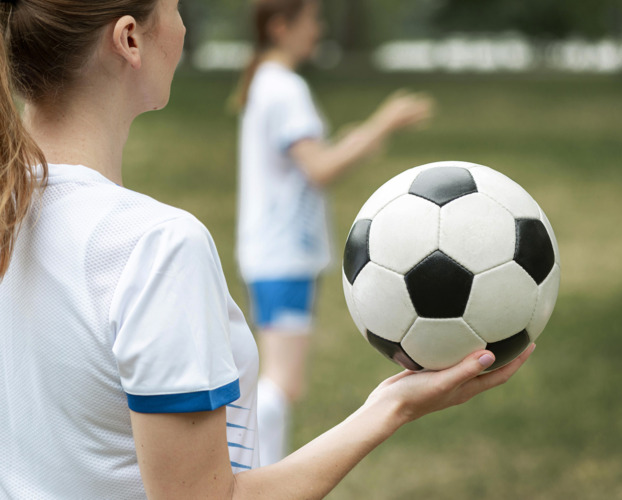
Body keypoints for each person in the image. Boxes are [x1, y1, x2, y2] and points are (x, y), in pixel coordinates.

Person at [0, 0, 531, 498]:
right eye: (176, 6)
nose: (183, 27)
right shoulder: (153, 247)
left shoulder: (15, 212)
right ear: (130, 39)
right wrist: (390, 409)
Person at [233, 0, 434, 466]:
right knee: (282, 383)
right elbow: (319, 168)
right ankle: (256, 482)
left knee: (282, 380)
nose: (319, 28)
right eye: (313, 19)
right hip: (282, 254)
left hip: (274, 252)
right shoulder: (283, 87)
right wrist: (383, 123)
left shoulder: (267, 80)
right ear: (282, 26)